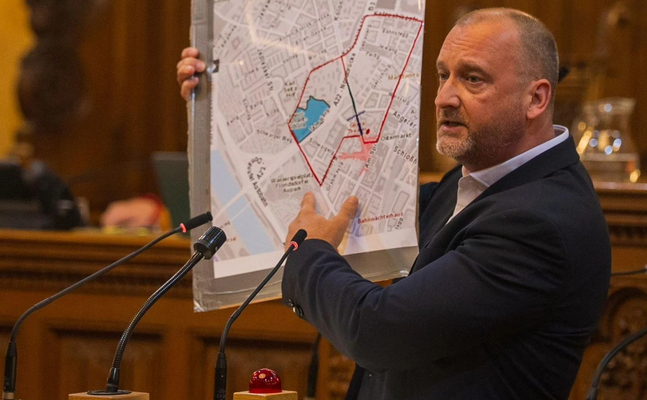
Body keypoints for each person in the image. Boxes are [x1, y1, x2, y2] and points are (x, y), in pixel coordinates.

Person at [177, 8, 611, 399]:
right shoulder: (470, 184)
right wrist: (220, 102)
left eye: (473, 79)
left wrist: (308, 252)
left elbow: (378, 331)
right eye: (443, 75)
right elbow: (325, 195)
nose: (444, 97)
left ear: (536, 99)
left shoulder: (539, 221)